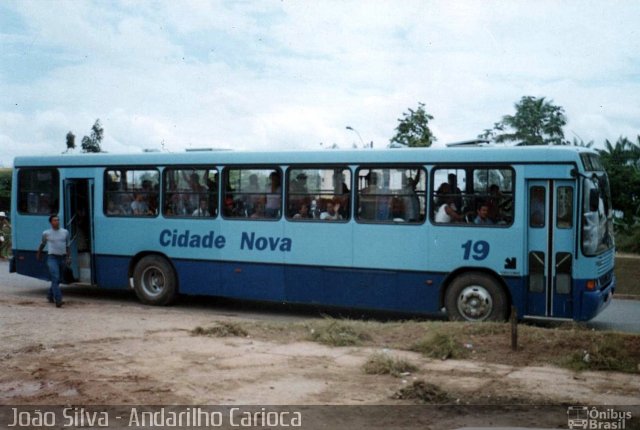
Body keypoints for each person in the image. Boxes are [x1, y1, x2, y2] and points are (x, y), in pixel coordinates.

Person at [36, 215, 70, 308]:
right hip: (52, 258)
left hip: (62, 257)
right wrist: (39, 253)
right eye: (55, 220)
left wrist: (68, 257)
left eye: (58, 220)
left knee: (58, 279)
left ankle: (50, 295)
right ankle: (58, 300)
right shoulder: (46, 233)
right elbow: (42, 244)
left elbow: (67, 245)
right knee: (55, 276)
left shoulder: (65, 232)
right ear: (51, 222)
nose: (57, 222)